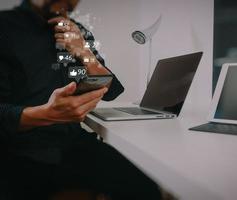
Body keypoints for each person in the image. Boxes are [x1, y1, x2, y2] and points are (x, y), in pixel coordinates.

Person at [0, 0, 163, 199]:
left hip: (72, 145)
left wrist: (84, 52)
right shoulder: (5, 27)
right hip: (16, 153)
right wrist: (45, 115)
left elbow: (111, 91)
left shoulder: (78, 31)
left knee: (145, 190)